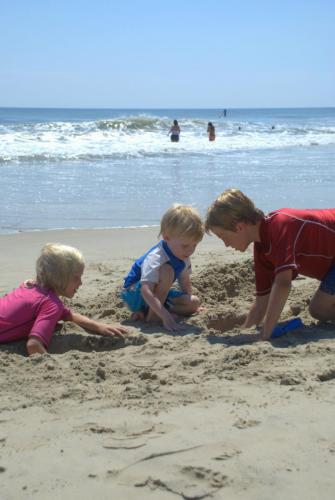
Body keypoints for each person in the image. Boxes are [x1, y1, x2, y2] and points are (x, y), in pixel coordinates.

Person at [205, 188, 335, 340]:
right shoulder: (261, 248)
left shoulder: (280, 225)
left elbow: (283, 284)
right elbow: (262, 302)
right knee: (321, 307)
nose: (226, 244)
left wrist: (266, 333)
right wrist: (246, 331)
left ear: (239, 226)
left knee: (319, 308)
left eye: (223, 236)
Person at [0, 243, 127, 355]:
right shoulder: (51, 303)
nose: (81, 283)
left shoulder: (30, 285)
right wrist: (50, 366)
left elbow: (68, 314)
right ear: (59, 277)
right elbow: (33, 345)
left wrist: (98, 326)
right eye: (76, 277)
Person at [121, 204, 204, 332]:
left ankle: (151, 311)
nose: (190, 250)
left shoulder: (183, 255)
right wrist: (166, 317)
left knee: (194, 302)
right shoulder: (156, 257)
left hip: (156, 294)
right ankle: (154, 316)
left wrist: (189, 305)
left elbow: (185, 281)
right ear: (167, 237)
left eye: (195, 245)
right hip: (135, 293)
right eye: (185, 246)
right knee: (167, 271)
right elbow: (146, 290)